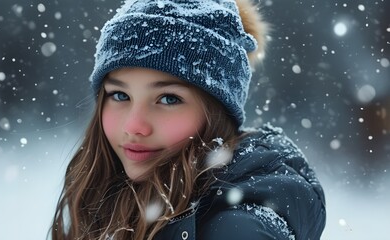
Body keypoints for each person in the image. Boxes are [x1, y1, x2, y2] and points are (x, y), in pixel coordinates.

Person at [50, 0, 326, 239]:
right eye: (120, 96)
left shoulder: (238, 223)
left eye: (169, 99)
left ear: (217, 111)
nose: (133, 126)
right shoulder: (107, 197)